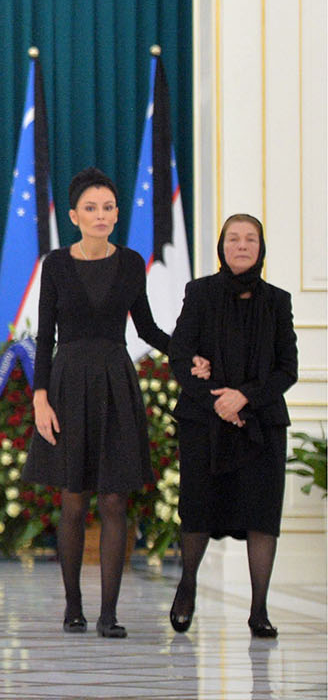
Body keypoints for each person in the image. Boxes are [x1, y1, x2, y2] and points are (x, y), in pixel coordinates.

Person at [22, 167, 170, 638]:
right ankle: (73, 606)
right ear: (73, 216)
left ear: (117, 213)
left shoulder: (130, 262)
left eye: (108, 207)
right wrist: (40, 397)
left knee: (113, 500)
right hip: (67, 384)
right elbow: (45, 337)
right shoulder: (57, 265)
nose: (100, 215)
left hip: (114, 383)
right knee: (72, 499)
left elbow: (145, 329)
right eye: (91, 208)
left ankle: (109, 613)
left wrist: (190, 350)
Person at [166, 214, 298, 638]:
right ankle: (187, 587)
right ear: (222, 245)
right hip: (204, 422)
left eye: (251, 239)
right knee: (199, 510)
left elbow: (287, 369)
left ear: (261, 247)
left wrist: (245, 398)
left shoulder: (278, 300)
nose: (242, 246)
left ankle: (259, 609)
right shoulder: (199, 293)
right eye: (234, 238)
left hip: (261, 425)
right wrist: (216, 401)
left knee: (261, 515)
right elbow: (180, 354)